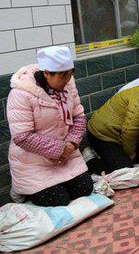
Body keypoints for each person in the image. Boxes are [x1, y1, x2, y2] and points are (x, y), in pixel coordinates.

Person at [6, 46, 93, 206]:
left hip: (67, 155)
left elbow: (79, 118)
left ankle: (59, 184)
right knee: (59, 200)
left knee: (85, 189)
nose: (68, 79)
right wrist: (60, 149)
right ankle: (21, 191)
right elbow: (22, 137)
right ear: (46, 73)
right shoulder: (21, 94)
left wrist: (71, 144)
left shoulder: (68, 86)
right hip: (34, 161)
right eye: (63, 75)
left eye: (70, 73)